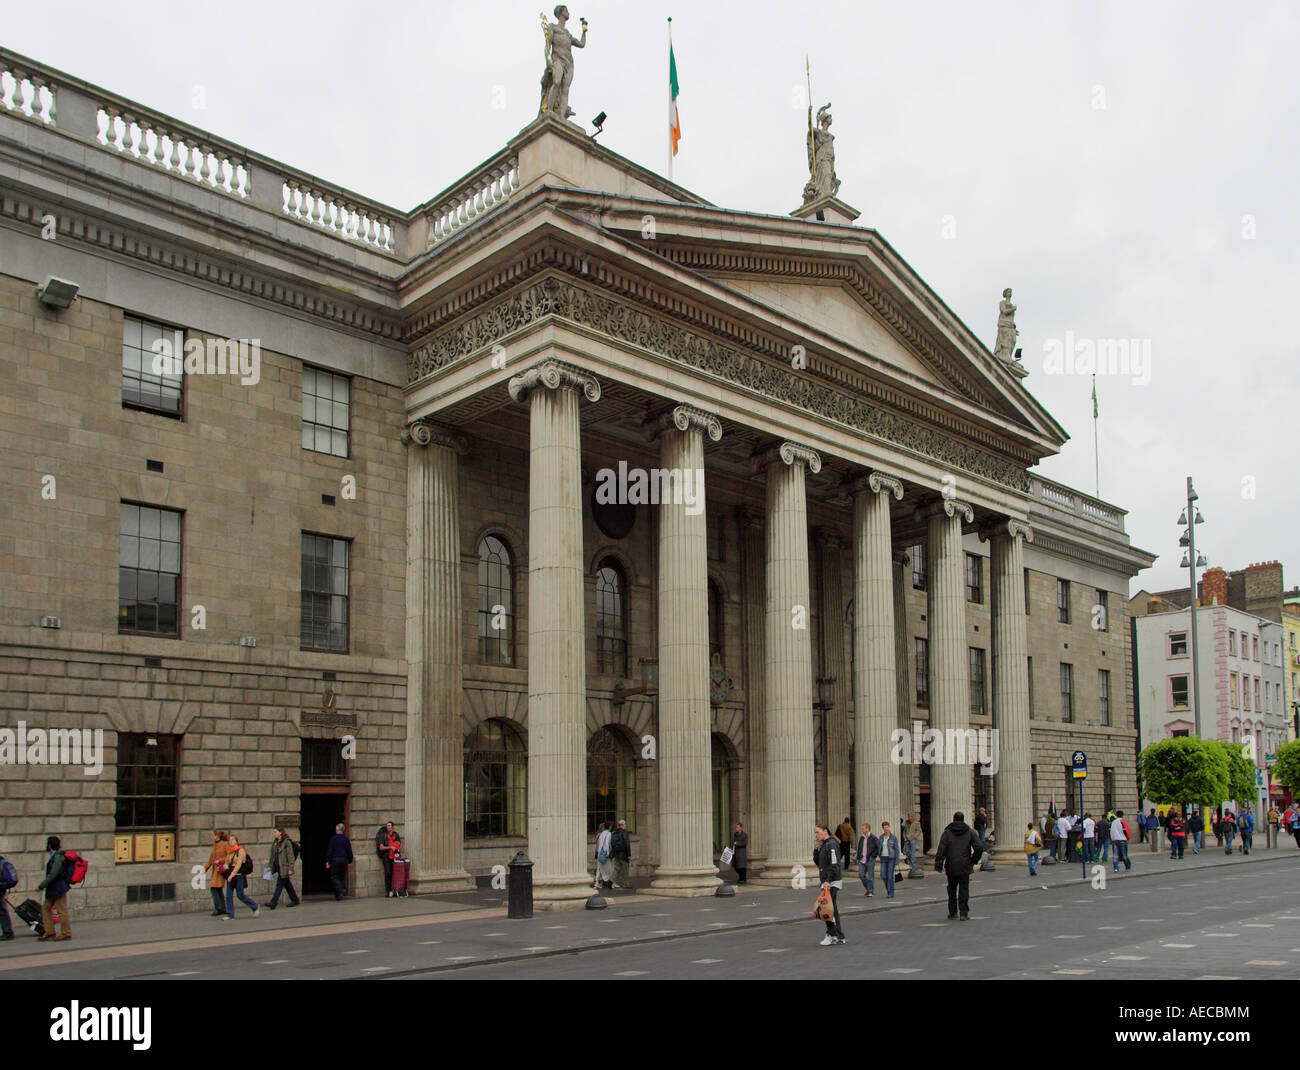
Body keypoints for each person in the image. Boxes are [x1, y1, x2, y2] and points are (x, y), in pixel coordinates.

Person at [935, 811, 982, 921]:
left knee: (951, 889)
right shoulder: (969, 832)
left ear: (954, 819)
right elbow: (979, 847)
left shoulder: (947, 832)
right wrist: (973, 860)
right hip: (965, 864)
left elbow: (941, 849)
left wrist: (939, 863)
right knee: (964, 889)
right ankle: (964, 913)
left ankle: (952, 912)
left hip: (951, 864)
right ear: (963, 819)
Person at [813, 824, 845, 945]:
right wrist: (816, 850)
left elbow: (834, 864)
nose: (816, 835)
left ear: (825, 831)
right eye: (815, 833)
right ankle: (838, 935)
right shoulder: (824, 845)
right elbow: (818, 862)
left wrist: (828, 880)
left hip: (832, 881)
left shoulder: (831, 844)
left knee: (826, 906)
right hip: (826, 880)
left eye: (818, 832)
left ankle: (832, 934)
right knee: (831, 908)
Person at [36, 835, 71, 941]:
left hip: (58, 887)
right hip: (53, 888)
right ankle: (49, 931)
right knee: (45, 908)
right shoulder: (54, 855)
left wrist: (41, 886)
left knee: (61, 910)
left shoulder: (58, 857)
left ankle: (66, 933)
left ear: (50, 845)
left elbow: (53, 874)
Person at [221, 834, 259, 920]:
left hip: (239, 876)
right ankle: (230, 914)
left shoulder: (241, 851)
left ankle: (254, 906)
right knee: (228, 896)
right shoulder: (230, 851)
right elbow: (226, 862)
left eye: (232, 840)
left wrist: (231, 875)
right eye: (229, 840)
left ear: (236, 841)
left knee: (240, 895)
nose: (230, 842)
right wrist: (225, 866)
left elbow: (238, 865)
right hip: (231, 875)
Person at [264, 826, 300, 909]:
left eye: (275, 832)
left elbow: (290, 856)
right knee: (287, 884)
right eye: (273, 832)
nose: (274, 834)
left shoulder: (286, 842)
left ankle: (273, 902)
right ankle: (295, 900)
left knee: (279, 885)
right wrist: (270, 866)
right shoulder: (275, 842)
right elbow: (273, 856)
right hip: (278, 867)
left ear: (280, 832)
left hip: (284, 867)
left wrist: (290, 868)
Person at [202, 829, 230, 916]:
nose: (213, 837)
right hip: (215, 870)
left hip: (220, 869)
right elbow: (211, 858)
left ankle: (218, 908)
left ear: (218, 836)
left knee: (214, 888)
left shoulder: (225, 844)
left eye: (214, 835)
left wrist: (219, 861)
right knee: (217, 889)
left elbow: (229, 856)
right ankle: (222, 907)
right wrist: (205, 868)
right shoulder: (215, 845)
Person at [325, 822, 354, 900]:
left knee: (334, 876)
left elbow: (330, 850)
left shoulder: (333, 839)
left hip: (335, 859)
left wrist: (328, 861)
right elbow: (349, 850)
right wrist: (350, 860)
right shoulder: (346, 839)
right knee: (341, 876)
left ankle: (339, 890)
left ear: (336, 830)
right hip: (344, 859)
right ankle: (338, 894)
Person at [376, 822, 401, 897]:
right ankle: (388, 890)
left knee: (394, 873)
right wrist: (390, 847)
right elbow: (381, 847)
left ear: (392, 827)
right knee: (388, 872)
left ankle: (395, 889)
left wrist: (394, 846)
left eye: (389, 825)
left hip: (394, 856)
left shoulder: (395, 835)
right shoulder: (383, 835)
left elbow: (398, 843)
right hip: (386, 856)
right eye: (387, 826)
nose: (388, 827)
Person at [856, 822, 879, 897]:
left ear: (867, 829)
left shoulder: (873, 837)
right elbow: (860, 847)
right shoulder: (862, 838)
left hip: (870, 859)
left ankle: (871, 891)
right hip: (862, 859)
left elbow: (878, 847)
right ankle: (868, 888)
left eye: (863, 828)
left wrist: (873, 856)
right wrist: (858, 856)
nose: (862, 829)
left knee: (870, 876)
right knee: (861, 874)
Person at [878, 821, 899, 898]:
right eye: (884, 828)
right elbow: (879, 847)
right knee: (883, 875)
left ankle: (891, 892)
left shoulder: (893, 838)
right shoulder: (881, 837)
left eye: (887, 827)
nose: (886, 829)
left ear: (889, 828)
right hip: (883, 857)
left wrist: (897, 859)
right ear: (883, 829)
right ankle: (889, 889)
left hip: (891, 858)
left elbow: (896, 849)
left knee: (890, 876)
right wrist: (878, 854)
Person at [0, 848, 17, 940]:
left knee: (2, 911)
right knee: (2, 910)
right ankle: (7, 931)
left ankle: (8, 932)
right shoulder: (3, 863)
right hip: (2, 888)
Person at [612, 819, 634, 888]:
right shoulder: (625, 833)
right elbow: (627, 844)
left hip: (616, 853)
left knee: (616, 869)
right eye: (625, 825)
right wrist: (629, 854)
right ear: (623, 825)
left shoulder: (615, 833)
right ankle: (625, 883)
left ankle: (611, 881)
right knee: (625, 869)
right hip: (623, 854)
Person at [594, 820, 614, 890]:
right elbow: (607, 844)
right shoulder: (608, 834)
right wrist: (608, 853)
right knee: (610, 868)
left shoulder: (601, 833)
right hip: (605, 853)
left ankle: (597, 882)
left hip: (600, 853)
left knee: (599, 868)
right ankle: (608, 882)